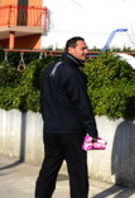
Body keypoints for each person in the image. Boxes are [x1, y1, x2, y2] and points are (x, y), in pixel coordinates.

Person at [35, 36, 100, 198]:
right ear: (70, 50)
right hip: (72, 131)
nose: (86, 52)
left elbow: (43, 101)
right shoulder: (72, 72)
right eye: (82, 48)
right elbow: (82, 103)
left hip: (51, 130)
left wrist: (49, 122)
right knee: (78, 173)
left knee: (49, 170)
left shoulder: (49, 69)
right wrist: (92, 131)